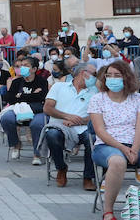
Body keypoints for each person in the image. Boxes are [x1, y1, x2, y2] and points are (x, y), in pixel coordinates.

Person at [90, 59, 140, 220]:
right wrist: (123, 148)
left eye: (117, 75)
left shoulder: (139, 99)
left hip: (134, 144)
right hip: (106, 146)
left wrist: (134, 149)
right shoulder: (97, 99)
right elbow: (100, 131)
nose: (112, 79)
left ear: (126, 78)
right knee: (117, 161)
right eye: (109, 76)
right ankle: (108, 211)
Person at [40, 61, 97, 189]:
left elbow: (98, 115)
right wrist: (67, 116)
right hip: (60, 124)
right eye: (94, 74)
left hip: (83, 126)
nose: (96, 77)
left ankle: (88, 177)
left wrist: (79, 121)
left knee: (93, 139)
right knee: (52, 135)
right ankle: (61, 168)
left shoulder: (95, 91)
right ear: (83, 73)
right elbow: (47, 108)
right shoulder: (59, 87)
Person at [0, 58, 49, 163]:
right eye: (21, 65)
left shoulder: (42, 81)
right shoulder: (16, 82)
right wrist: (32, 95)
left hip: (37, 111)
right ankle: (16, 144)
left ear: (34, 69)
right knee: (6, 119)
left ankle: (37, 153)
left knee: (37, 124)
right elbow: (10, 98)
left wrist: (21, 96)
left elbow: (42, 97)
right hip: (19, 110)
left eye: (26, 65)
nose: (22, 68)